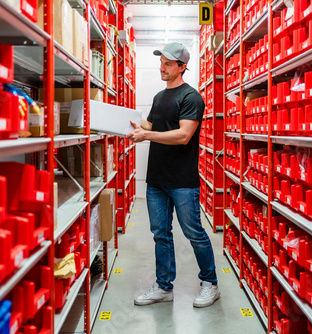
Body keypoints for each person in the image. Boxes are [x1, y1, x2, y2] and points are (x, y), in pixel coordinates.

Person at [126, 42, 220, 308]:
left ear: (182, 66)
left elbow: (183, 135)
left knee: (194, 232)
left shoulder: (191, 97)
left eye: (168, 63)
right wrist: (133, 124)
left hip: (181, 181)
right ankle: (164, 286)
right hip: (156, 179)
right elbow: (151, 125)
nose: (162, 67)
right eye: (161, 62)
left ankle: (210, 284)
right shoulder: (159, 97)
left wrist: (147, 135)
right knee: (160, 234)